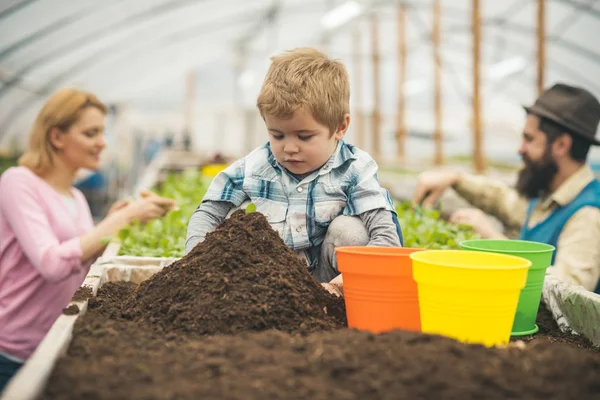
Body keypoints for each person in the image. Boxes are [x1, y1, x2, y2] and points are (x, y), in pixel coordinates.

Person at [0, 88, 176, 392]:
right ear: (56, 137)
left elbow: (80, 263)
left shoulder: (77, 198)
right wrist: (118, 221)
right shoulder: (18, 182)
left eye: (102, 132)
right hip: (15, 351)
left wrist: (117, 221)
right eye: (91, 133)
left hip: (59, 342)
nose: (102, 142)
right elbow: (51, 264)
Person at [186, 48, 403, 289]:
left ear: (340, 127)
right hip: (267, 284)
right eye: (277, 135)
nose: (289, 148)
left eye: (304, 136)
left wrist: (346, 283)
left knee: (350, 231)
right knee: (234, 224)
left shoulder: (354, 168)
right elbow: (209, 211)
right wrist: (194, 264)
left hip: (333, 284)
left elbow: (387, 237)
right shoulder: (257, 165)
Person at [413, 83, 600, 292]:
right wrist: (455, 179)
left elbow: (571, 290)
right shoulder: (548, 194)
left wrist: (492, 240)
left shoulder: (588, 213)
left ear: (561, 145)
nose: (520, 149)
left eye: (529, 139)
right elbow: (502, 199)